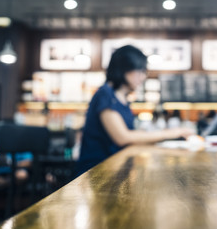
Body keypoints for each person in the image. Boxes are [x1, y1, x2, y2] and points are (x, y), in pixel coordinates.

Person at [75, 45, 194, 176]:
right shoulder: (105, 94)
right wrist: (174, 132)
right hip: (95, 173)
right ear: (123, 69)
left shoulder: (123, 99)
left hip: (113, 170)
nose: (143, 77)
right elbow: (123, 137)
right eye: (140, 71)